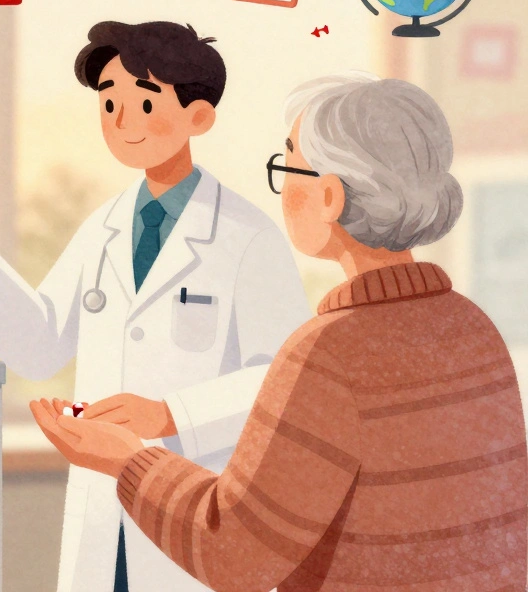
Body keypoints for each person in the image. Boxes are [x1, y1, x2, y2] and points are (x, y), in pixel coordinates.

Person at [31, 72, 528, 592]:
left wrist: (126, 459)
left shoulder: (328, 352)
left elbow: (235, 552)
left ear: (330, 197)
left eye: (288, 163)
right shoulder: (474, 328)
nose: (283, 186)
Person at [0, 20, 309, 592]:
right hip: (105, 512)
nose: (122, 121)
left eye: (145, 103)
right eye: (109, 101)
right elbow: (42, 345)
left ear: (199, 118)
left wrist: (168, 414)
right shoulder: (103, 227)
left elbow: (283, 382)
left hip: (198, 505)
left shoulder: (248, 236)